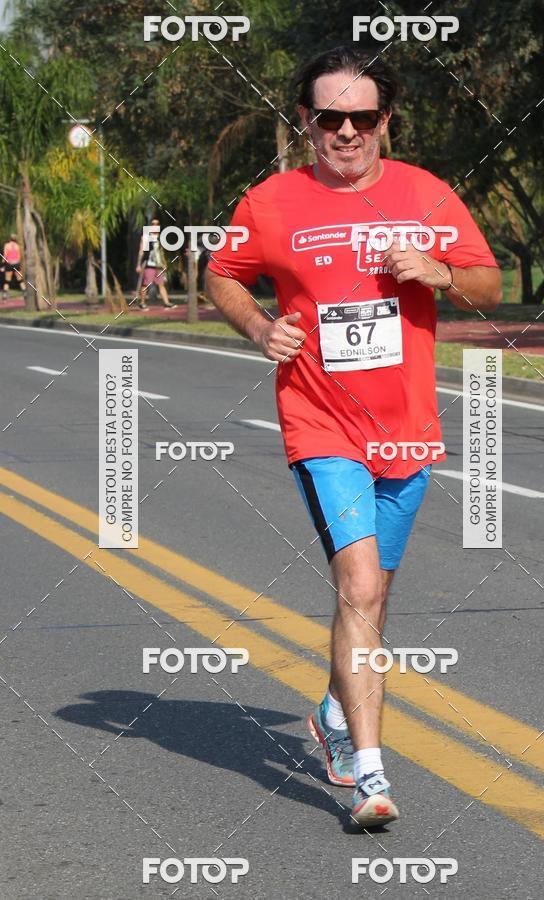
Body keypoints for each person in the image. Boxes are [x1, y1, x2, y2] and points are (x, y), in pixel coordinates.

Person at [206, 46, 501, 828]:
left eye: (362, 117)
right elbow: (222, 272)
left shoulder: (426, 194)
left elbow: (488, 282)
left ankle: (335, 716)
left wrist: (437, 273)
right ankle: (370, 776)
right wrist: (259, 326)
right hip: (320, 419)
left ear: (385, 123)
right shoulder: (272, 202)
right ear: (305, 122)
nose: (345, 131)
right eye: (329, 117)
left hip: (406, 430)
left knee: (373, 598)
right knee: (361, 586)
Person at [135, 218, 175, 309]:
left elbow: (161, 251)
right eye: (153, 224)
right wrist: (138, 264)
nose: (155, 225)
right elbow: (141, 251)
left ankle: (167, 303)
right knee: (146, 284)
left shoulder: (160, 237)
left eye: (157, 224)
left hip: (159, 265)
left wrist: (164, 262)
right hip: (149, 264)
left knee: (161, 284)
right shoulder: (146, 237)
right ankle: (142, 303)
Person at [2, 234, 26, 299]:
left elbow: (5, 255)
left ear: (10, 238)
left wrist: (2, 265)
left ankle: (4, 294)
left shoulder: (6, 245)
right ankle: (25, 293)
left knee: (7, 280)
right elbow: (19, 256)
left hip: (9, 264)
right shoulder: (18, 246)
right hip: (16, 264)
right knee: (20, 279)